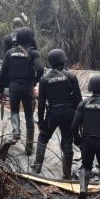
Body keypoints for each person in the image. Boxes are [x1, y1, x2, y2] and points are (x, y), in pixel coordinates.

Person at [31, 49, 82, 179]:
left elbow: (41, 103)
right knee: (67, 142)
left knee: (43, 138)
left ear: (51, 62)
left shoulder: (44, 79)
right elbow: (78, 100)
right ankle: (66, 174)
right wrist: (79, 119)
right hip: (68, 114)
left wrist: (41, 122)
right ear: (63, 60)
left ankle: (37, 167)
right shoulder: (71, 76)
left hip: (52, 113)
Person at [0, 27, 44, 156]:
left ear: (17, 38)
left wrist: (1, 90)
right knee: (29, 116)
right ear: (31, 39)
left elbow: (2, 73)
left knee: (14, 111)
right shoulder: (33, 53)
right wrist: (34, 81)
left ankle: (16, 132)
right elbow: (40, 70)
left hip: (13, 87)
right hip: (27, 88)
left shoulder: (9, 53)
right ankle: (29, 148)